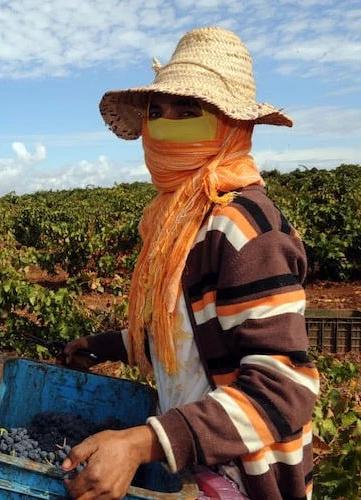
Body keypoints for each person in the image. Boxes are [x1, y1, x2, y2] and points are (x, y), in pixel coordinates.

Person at [58, 27, 319, 500]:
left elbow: (282, 390)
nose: (165, 126)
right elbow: (190, 333)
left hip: (245, 479)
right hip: (196, 471)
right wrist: (108, 346)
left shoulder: (243, 229)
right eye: (157, 113)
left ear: (232, 127)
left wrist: (145, 442)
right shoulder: (181, 222)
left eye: (187, 113)